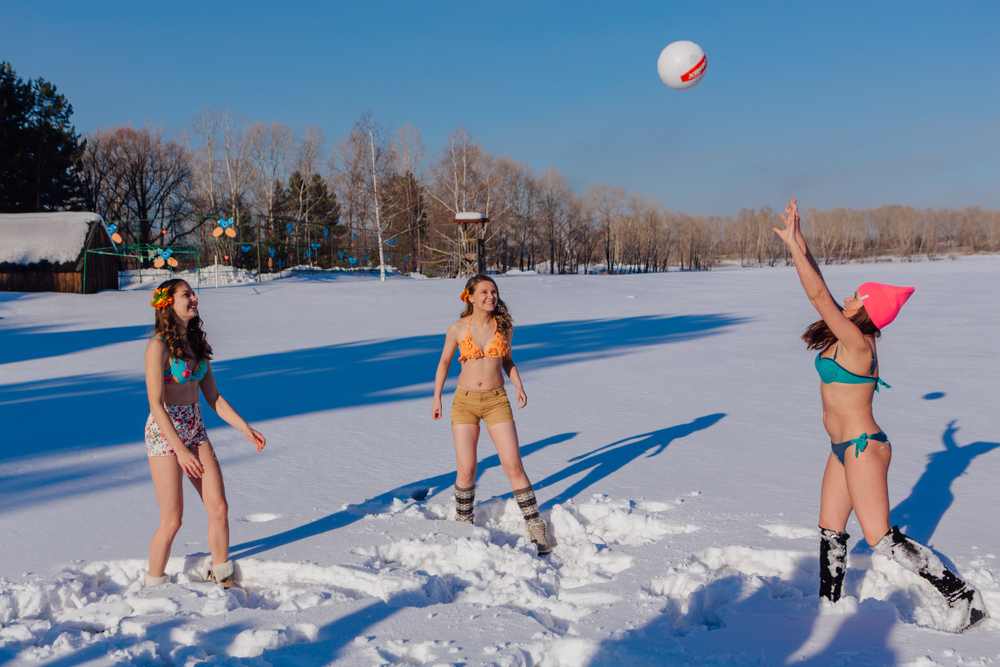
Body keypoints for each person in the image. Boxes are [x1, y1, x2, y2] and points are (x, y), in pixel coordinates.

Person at [773, 198, 986, 631]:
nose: (847, 298)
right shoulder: (846, 333)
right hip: (840, 448)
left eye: (857, 297)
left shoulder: (857, 344)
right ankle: (828, 605)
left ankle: (963, 595)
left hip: (864, 448)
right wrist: (800, 239)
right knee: (830, 526)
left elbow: (817, 294)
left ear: (866, 311)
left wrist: (794, 249)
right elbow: (825, 292)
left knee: (880, 538)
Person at [143, 279, 265, 588]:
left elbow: (213, 398)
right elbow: (155, 404)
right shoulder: (157, 346)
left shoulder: (196, 345)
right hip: (165, 432)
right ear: (168, 302)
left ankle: (222, 575)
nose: (194, 299)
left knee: (219, 507)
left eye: (193, 293)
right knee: (172, 520)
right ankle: (153, 585)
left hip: (195, 428)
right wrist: (180, 451)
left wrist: (244, 428)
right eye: (187, 294)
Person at [431, 275, 551, 556]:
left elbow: (507, 361)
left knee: (513, 465)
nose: (491, 296)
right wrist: (436, 396)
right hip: (464, 403)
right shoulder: (457, 328)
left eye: (494, 291)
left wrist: (519, 386)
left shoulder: (505, 328)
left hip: (497, 401)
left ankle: (534, 524)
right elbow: (444, 363)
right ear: (469, 297)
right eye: (483, 291)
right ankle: (463, 521)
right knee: (467, 469)